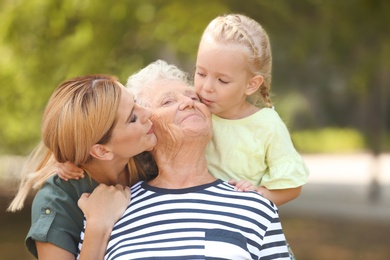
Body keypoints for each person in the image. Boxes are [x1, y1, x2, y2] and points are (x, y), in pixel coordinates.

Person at [77, 59, 290, 259]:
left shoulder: (253, 204)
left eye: (195, 98)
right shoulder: (109, 209)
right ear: (144, 127)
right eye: (168, 101)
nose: (189, 103)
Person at [7, 75, 157, 259]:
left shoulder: (147, 156)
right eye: (132, 118)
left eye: (135, 101)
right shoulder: (56, 203)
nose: (148, 112)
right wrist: (98, 224)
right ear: (101, 151)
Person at [194, 14, 309, 206]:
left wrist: (258, 194)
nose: (207, 87)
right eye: (201, 73)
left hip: (237, 225)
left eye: (222, 80)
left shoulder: (267, 126)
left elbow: (292, 186)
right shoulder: (191, 111)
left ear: (251, 84)